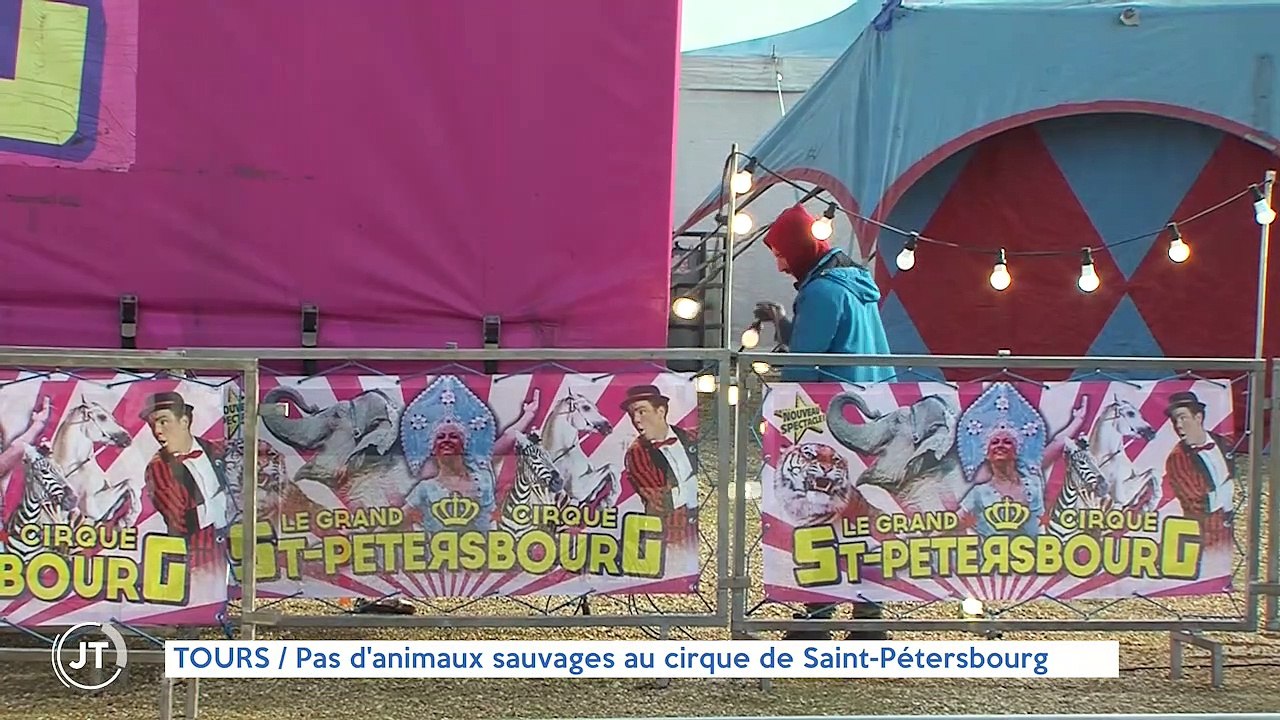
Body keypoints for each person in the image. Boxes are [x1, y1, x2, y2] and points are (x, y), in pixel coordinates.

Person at [761, 202, 892, 641]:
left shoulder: (821, 292)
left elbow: (804, 368)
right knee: (862, 515)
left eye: (780, 252)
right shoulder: (856, 286)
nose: (779, 264)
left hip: (829, 420)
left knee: (821, 514)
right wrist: (785, 323)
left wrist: (779, 403)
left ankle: (817, 614)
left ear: (798, 248)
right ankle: (868, 614)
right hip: (874, 413)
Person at [140, 391, 233, 578]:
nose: (156, 431)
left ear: (184, 422)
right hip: (198, 562)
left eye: (163, 421)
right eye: (152, 424)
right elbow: (180, 522)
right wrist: (226, 503)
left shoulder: (217, 450)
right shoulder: (158, 467)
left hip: (237, 552)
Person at [620, 384, 700, 549]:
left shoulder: (690, 437)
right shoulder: (637, 453)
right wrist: (694, 484)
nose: (636, 419)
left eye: (642, 411)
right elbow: (661, 501)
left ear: (660, 411)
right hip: (670, 540)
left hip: (699, 530)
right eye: (631, 414)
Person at [1162, 390, 1234, 549]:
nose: (1178, 425)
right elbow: (1200, 503)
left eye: (1182, 418)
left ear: (1198, 417)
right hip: (1207, 539)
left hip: (1232, 531)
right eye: (1174, 420)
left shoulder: (1224, 443)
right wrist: (1230, 488)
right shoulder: (1178, 458)